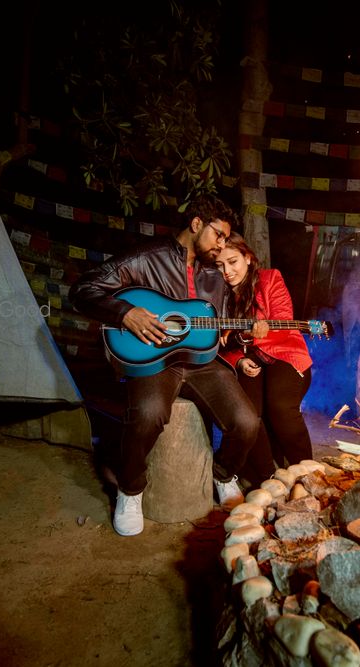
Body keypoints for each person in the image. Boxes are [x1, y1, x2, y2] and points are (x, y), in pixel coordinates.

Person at [68, 196, 273, 536]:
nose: (222, 245)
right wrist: (125, 313)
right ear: (196, 225)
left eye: (226, 238)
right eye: (218, 235)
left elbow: (215, 332)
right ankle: (130, 490)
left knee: (246, 421)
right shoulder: (145, 258)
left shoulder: (215, 276)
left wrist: (247, 336)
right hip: (154, 358)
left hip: (200, 363)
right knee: (148, 413)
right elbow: (83, 289)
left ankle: (222, 475)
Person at [215, 234, 314, 476]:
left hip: (284, 354)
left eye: (233, 261)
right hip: (249, 361)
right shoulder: (217, 295)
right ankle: (266, 478)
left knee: (279, 405)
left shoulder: (270, 279)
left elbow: (283, 321)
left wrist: (253, 336)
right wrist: (238, 360)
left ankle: (307, 473)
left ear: (247, 258)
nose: (227, 271)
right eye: (220, 265)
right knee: (249, 414)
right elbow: (217, 344)